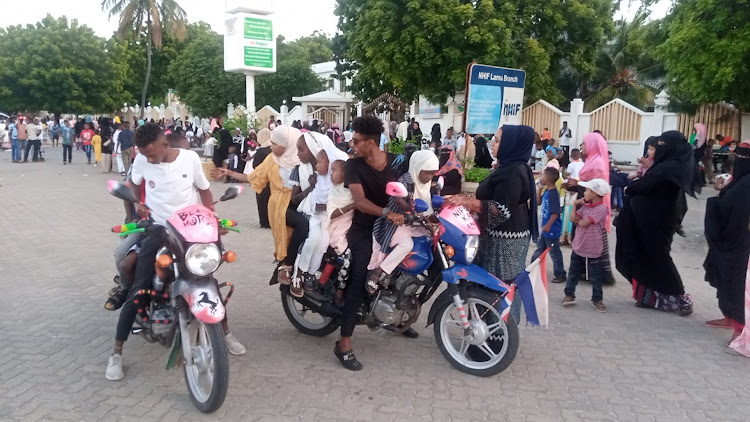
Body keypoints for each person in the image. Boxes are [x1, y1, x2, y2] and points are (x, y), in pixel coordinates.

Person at [105, 123, 244, 381]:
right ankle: (116, 352)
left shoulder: (190, 159)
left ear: (165, 145)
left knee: (207, 280)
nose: (149, 159)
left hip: (190, 229)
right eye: (144, 155)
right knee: (140, 287)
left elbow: (204, 190)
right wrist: (139, 206)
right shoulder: (143, 162)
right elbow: (134, 185)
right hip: (158, 229)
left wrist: (211, 218)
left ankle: (224, 333)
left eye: (152, 154)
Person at [333, 115, 409, 371]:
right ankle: (343, 344)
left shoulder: (395, 163)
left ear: (371, 142)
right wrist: (387, 213)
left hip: (389, 224)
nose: (351, 143)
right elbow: (360, 201)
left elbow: (399, 194)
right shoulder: (353, 165)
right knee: (359, 275)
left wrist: (413, 210)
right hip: (363, 227)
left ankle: (399, 318)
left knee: (409, 263)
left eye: (356, 140)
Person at [446, 125, 537, 324]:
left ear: (511, 145)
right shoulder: (511, 167)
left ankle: (493, 337)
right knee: (502, 286)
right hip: (508, 237)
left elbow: (500, 210)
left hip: (503, 243)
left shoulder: (512, 172)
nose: (491, 144)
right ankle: (498, 334)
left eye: (496, 140)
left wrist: (466, 201)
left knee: (496, 287)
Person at [615, 131, 699, 315]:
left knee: (659, 257)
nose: (658, 149)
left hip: (657, 223)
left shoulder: (668, 168)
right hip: (646, 221)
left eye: (661, 145)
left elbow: (644, 186)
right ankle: (649, 297)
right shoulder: (667, 165)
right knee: (644, 256)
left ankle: (680, 297)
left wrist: (631, 187)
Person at [212, 126, 307, 286]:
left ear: (288, 144)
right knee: (303, 225)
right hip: (279, 205)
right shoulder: (271, 160)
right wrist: (229, 173)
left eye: (276, 144)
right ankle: (286, 265)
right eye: (272, 143)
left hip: (300, 202)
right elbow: (252, 177)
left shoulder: (302, 159)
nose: (272, 147)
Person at [367, 150, 439, 293]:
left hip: (416, 223)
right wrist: (409, 207)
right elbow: (399, 201)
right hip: (396, 222)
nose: (429, 177)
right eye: (426, 173)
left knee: (431, 239)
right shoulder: (404, 181)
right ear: (417, 167)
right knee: (407, 244)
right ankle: (379, 271)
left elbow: (428, 205)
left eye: (432, 173)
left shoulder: (427, 183)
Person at [704, 141, 750, 346]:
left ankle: (740, 327)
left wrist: (716, 204)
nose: (740, 161)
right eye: (738, 156)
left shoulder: (746, 184)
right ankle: (729, 317)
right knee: (724, 278)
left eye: (745, 157)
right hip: (727, 239)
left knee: (736, 283)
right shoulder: (739, 180)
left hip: (740, 242)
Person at [562, 179, 612, 312]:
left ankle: (597, 299)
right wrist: (574, 205)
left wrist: (580, 220)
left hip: (593, 248)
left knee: (596, 276)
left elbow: (584, 223)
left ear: (594, 193)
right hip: (579, 246)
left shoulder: (602, 208)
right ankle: (569, 294)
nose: (584, 193)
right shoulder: (584, 207)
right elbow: (573, 219)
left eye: (587, 191)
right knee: (573, 272)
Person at [531, 167, 566, 283]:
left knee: (554, 252)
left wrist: (548, 225)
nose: (541, 177)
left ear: (547, 179)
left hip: (551, 229)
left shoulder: (553, 194)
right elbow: (538, 202)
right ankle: (531, 269)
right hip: (546, 228)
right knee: (540, 249)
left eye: (542, 175)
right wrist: (539, 189)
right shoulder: (547, 191)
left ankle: (560, 273)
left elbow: (555, 213)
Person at [252, 129, 272, 228]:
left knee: (262, 201)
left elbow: (255, 165)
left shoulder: (261, 150)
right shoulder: (272, 149)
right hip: (272, 179)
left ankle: (264, 222)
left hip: (261, 180)